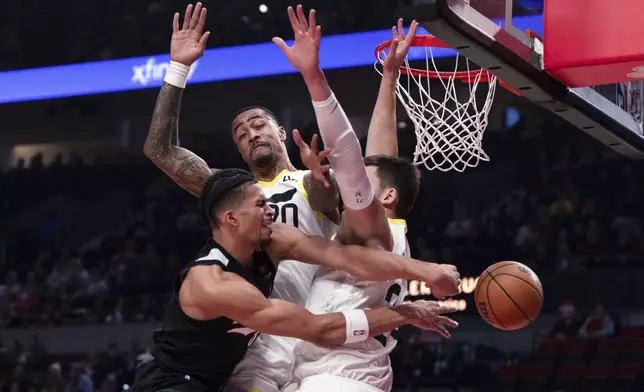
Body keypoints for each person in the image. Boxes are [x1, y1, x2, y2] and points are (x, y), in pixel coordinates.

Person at [144, 4, 462, 392]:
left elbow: (361, 175)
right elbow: (161, 151)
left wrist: (321, 178)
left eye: (258, 124)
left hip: (311, 328)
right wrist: (178, 69)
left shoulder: (314, 181)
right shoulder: (236, 195)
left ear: (281, 131)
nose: (251, 134)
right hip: (255, 333)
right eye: (241, 134)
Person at [132, 169, 459, 392]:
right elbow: (321, 328)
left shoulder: (274, 240)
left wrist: (425, 270)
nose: (271, 210)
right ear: (232, 219)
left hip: (216, 381)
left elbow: (347, 257)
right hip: (173, 383)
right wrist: (406, 313)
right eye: (261, 204)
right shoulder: (213, 283)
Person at [272, 12, 437, 392]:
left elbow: (349, 158)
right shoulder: (384, 229)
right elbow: (381, 160)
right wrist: (390, 77)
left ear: (386, 197)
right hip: (334, 374)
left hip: (339, 377)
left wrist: (314, 78)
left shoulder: (373, 230)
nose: (355, 181)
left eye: (364, 180)